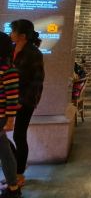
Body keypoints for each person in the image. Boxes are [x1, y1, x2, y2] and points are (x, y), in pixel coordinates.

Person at [9, 20, 44, 189]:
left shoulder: (34, 53)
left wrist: (22, 101)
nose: (10, 34)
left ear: (22, 35)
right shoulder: (10, 49)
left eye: (13, 31)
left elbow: (37, 81)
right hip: (9, 99)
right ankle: (14, 165)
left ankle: (19, 173)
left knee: (18, 135)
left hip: (25, 101)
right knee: (3, 136)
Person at [0, 33, 19, 197]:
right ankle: (13, 186)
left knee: (4, 151)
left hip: (0, 117)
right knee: (4, 150)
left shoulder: (8, 70)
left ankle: (13, 186)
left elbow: (12, 99)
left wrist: (10, 120)